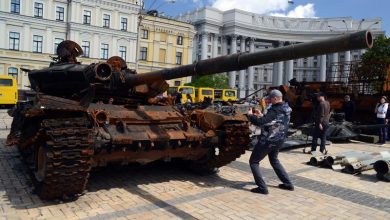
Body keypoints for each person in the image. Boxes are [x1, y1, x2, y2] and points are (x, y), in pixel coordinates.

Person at [247, 89, 294, 194]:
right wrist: (262, 115)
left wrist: (251, 116)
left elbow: (260, 123)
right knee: (274, 160)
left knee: (254, 162)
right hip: (279, 139)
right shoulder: (286, 108)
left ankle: (262, 188)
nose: (269, 101)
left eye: (271, 99)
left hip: (268, 140)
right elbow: (275, 122)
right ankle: (288, 184)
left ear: (276, 98)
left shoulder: (275, 110)